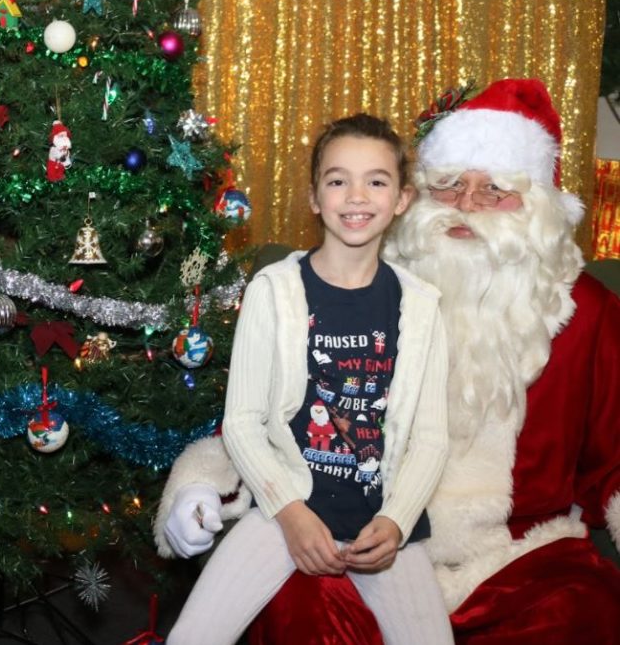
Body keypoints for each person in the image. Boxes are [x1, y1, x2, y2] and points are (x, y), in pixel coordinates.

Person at [155, 79, 620, 643]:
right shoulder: (363, 280)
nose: (468, 205)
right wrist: (199, 485)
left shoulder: (584, 312)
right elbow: (260, 418)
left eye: (495, 190)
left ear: (538, 204)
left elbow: (613, 459)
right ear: (417, 199)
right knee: (296, 605)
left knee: (583, 613)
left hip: (519, 556)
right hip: (339, 534)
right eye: (449, 186)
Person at [167, 114, 452, 645]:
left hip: (381, 527)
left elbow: (432, 439)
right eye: (338, 180)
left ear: (402, 199)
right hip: (284, 514)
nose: (356, 195)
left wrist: (396, 521)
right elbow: (243, 423)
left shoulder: (422, 306)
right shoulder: (273, 291)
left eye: (377, 181)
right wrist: (290, 513)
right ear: (316, 198)